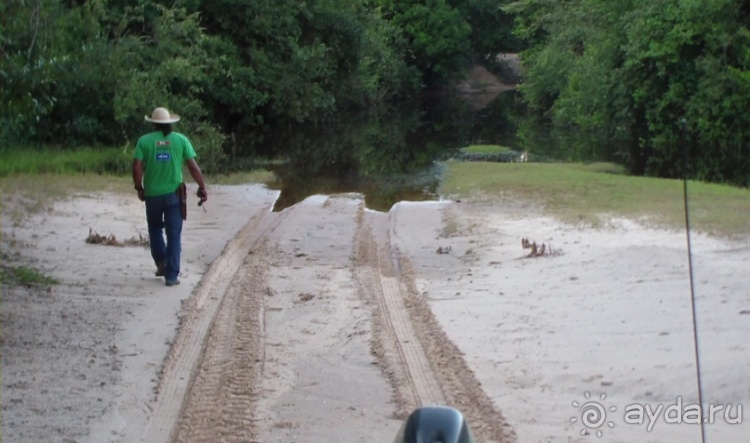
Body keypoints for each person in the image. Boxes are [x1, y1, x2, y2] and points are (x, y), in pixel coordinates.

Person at [132, 107, 208, 286]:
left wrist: (139, 187)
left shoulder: (144, 141)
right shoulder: (180, 140)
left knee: (155, 229)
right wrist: (202, 187)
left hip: (152, 195)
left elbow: (136, 166)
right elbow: (193, 167)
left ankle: (161, 262)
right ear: (170, 124)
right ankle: (171, 276)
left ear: (153, 124)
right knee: (174, 234)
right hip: (175, 196)